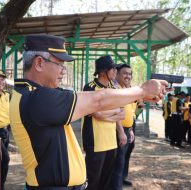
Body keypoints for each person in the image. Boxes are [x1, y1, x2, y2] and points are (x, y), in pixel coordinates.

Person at [9, 34, 168, 190]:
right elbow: (98, 100)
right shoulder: (38, 98)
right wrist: (142, 90)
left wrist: (139, 96)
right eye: (60, 64)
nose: (64, 70)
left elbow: (99, 102)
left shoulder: (30, 94)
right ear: (39, 63)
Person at [82, 56, 126, 190]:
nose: (115, 72)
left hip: (111, 140)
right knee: (93, 179)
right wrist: (113, 112)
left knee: (106, 179)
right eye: (112, 69)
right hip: (96, 141)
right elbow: (95, 114)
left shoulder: (114, 87)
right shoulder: (90, 87)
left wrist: (121, 132)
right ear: (102, 71)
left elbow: (122, 113)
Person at [110, 63, 136, 189]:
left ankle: (121, 179)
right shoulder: (115, 90)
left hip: (127, 129)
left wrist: (130, 130)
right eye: (125, 73)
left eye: (130, 74)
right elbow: (116, 113)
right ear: (117, 74)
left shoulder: (128, 90)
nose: (128, 76)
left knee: (125, 157)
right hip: (118, 130)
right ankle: (116, 186)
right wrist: (121, 132)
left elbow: (131, 112)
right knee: (118, 161)